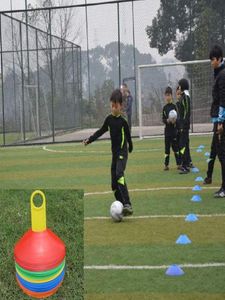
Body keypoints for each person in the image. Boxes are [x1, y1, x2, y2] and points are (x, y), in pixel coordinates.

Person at [83, 89, 133, 215]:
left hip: (123, 153)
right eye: (112, 105)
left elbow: (128, 136)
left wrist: (131, 146)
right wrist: (89, 140)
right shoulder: (109, 120)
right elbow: (101, 131)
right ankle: (121, 206)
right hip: (115, 155)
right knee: (113, 185)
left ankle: (127, 203)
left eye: (116, 106)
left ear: (121, 106)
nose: (113, 108)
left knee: (119, 174)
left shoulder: (123, 121)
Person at [208, 44, 225, 197]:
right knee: (219, 152)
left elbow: (222, 98)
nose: (211, 62)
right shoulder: (218, 73)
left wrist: (220, 121)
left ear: (219, 59)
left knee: (222, 153)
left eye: (213, 59)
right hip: (217, 118)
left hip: (221, 121)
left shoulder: (222, 75)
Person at [162, 86, 181, 170]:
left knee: (175, 148)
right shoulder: (164, 108)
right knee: (167, 149)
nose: (167, 97)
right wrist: (167, 120)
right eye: (166, 95)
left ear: (171, 96)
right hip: (167, 132)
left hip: (173, 131)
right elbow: (163, 119)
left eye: (169, 95)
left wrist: (175, 122)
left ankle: (179, 164)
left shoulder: (174, 106)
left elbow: (178, 118)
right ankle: (166, 165)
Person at [177, 78, 192, 174]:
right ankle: (186, 164)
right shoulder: (183, 96)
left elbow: (187, 111)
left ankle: (185, 166)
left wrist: (183, 125)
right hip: (182, 125)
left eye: (179, 85)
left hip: (184, 126)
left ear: (182, 86)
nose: (178, 87)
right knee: (184, 144)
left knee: (182, 145)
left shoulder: (186, 96)